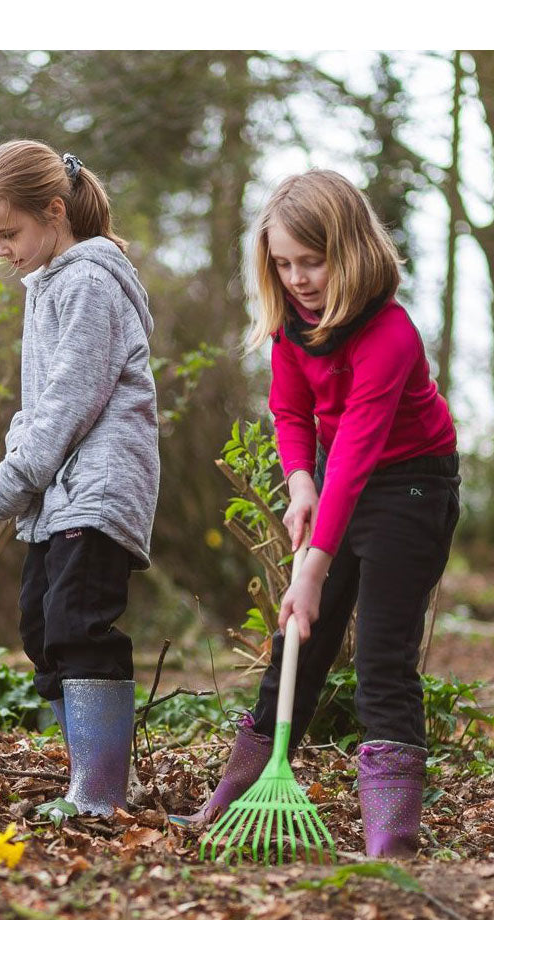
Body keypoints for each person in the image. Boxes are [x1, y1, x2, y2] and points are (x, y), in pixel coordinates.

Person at [171, 170, 460, 858]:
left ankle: (390, 840)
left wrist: (313, 567)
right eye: (283, 263)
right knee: (301, 644)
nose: (297, 278)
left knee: (384, 659)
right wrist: (300, 481)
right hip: (335, 474)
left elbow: (361, 448)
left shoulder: (389, 334)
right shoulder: (292, 327)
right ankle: (232, 797)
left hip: (411, 487)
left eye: (313, 261)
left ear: (351, 251)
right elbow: (291, 411)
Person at [0, 139, 160, 815]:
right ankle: (85, 772)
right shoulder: (47, 282)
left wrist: (18, 473)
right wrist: (17, 467)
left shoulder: (87, 282)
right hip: (58, 490)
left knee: (77, 623)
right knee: (41, 626)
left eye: (7, 233)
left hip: (98, 486)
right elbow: (39, 402)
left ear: (52, 211)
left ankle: (98, 794)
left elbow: (74, 398)